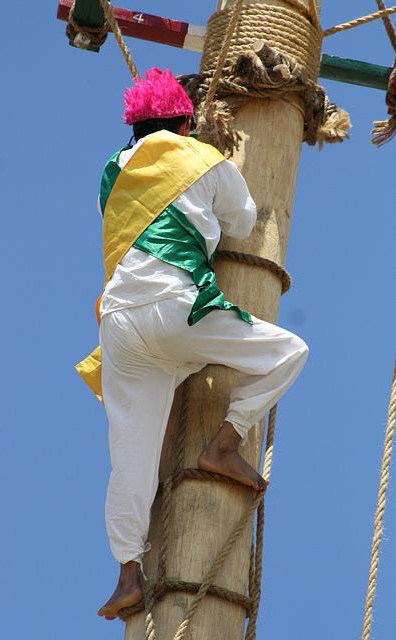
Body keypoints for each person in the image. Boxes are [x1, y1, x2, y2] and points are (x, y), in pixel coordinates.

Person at [76, 68, 308, 621]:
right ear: (185, 120)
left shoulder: (113, 169)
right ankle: (224, 444)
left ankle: (127, 575)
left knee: (130, 455)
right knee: (288, 351)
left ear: (136, 127)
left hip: (121, 326)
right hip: (178, 311)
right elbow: (244, 219)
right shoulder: (203, 158)